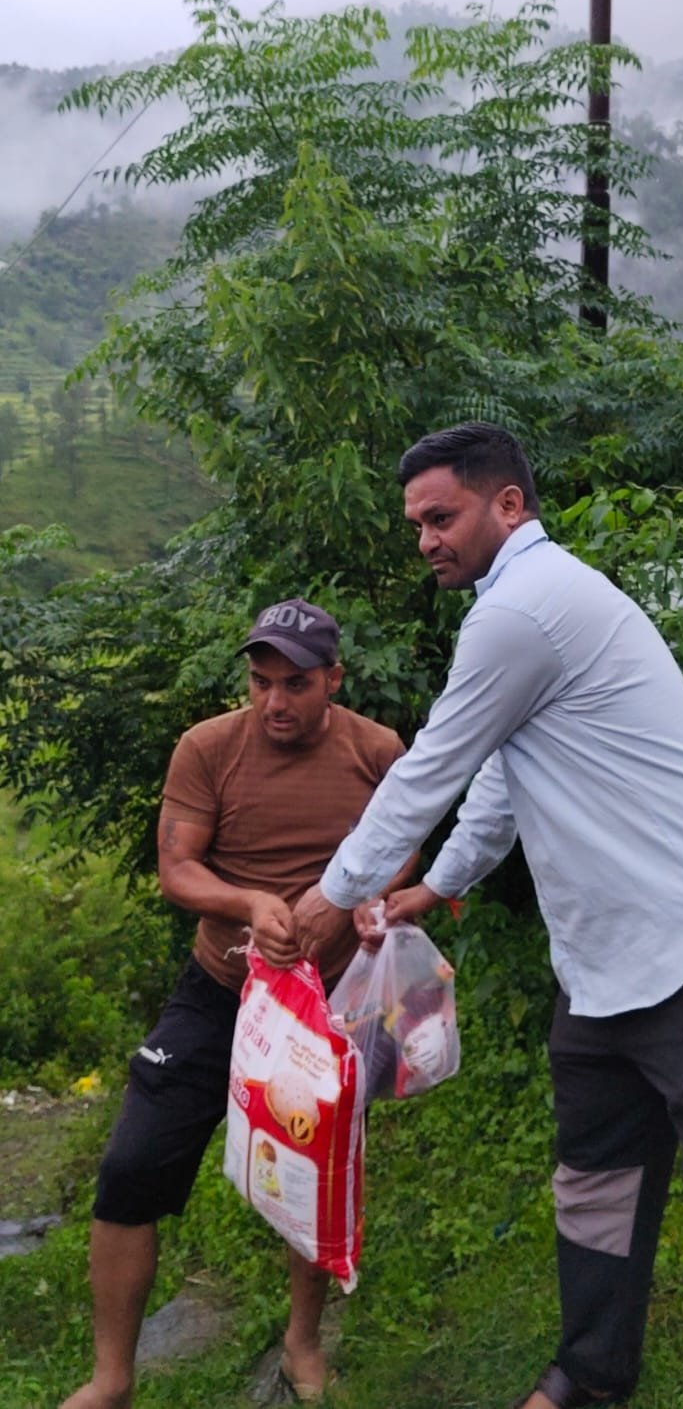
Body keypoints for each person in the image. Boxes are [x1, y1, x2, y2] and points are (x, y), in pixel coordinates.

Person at [293, 423, 683, 1409]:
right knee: (595, 1190)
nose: (425, 540)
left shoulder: (526, 607)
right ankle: (588, 1379)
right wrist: (435, 885)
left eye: (440, 516)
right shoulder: (520, 611)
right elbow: (501, 780)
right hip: (600, 974)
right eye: (415, 523)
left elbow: (427, 773)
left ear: (508, 504)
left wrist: (328, 900)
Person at [61, 597, 414, 1409]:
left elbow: (401, 848)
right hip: (220, 988)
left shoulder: (376, 750)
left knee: (309, 1176)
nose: (273, 701)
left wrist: (360, 902)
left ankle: (302, 1341)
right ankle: (111, 1377)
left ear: (334, 678)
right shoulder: (208, 746)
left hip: (321, 1005)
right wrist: (251, 902)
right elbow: (178, 866)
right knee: (129, 1166)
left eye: (295, 684)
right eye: (260, 682)